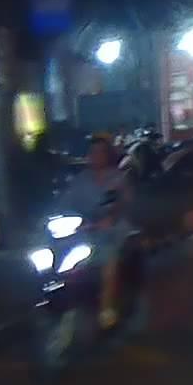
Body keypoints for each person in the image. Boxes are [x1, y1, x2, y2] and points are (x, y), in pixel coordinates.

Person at [55, 135, 133, 329]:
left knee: (109, 260)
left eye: (100, 152)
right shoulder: (80, 180)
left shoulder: (117, 178)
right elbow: (65, 203)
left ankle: (107, 309)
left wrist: (110, 218)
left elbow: (122, 203)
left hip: (111, 230)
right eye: (93, 152)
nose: (96, 156)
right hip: (84, 231)